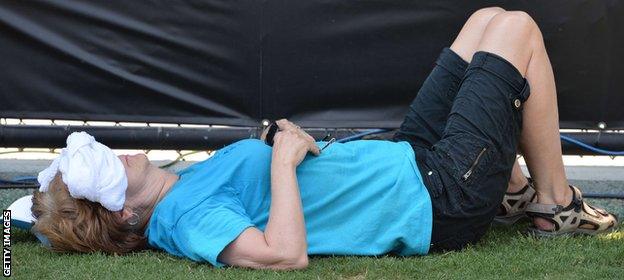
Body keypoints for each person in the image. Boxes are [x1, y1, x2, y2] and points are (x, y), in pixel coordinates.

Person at [31, 7, 618, 270]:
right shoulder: (182, 218)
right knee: (517, 31)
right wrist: (282, 162)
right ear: (127, 217)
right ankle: (553, 204)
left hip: (410, 158)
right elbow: (282, 256)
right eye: (109, 170)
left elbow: (31, 218)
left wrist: (272, 147)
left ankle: (518, 191)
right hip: (437, 201)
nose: (119, 154)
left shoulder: (176, 184)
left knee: (487, 21)